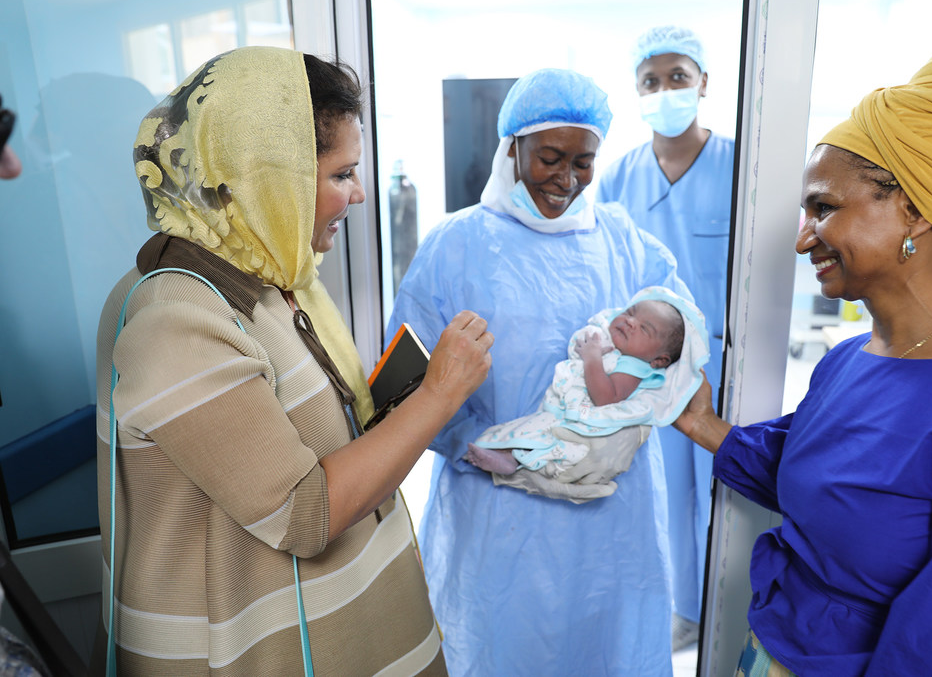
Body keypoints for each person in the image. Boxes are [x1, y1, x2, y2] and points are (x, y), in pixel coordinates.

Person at [94, 46, 493, 675]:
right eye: (341, 175)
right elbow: (307, 514)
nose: (359, 195)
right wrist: (438, 395)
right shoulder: (175, 321)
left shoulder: (272, 278)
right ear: (263, 177)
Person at [675, 42, 932, 675]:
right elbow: (810, 476)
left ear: (913, 210)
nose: (804, 236)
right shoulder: (850, 361)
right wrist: (696, 419)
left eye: (824, 207)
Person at [387, 68, 695, 676]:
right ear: (512, 149)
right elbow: (403, 378)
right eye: (550, 157)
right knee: (504, 647)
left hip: (612, 515)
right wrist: (480, 449)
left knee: (604, 648)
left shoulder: (627, 245)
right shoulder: (456, 246)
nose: (568, 179)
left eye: (584, 162)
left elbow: (681, 352)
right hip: (501, 515)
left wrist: (617, 431)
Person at [595, 25, 734, 649]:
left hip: (723, 365)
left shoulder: (742, 166)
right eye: (650, 81)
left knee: (721, 489)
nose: (665, 90)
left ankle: (723, 609)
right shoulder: (619, 178)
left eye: (677, 76)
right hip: (646, 366)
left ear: (704, 81)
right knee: (657, 490)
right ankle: (677, 608)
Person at [466, 287, 708, 498]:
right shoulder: (613, 345)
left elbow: (606, 397)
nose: (631, 322)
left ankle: (514, 461)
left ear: (659, 360)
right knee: (528, 429)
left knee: (551, 439)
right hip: (562, 412)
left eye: (645, 329)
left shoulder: (635, 366)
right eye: (630, 313)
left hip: (585, 426)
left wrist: (592, 356)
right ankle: (503, 454)